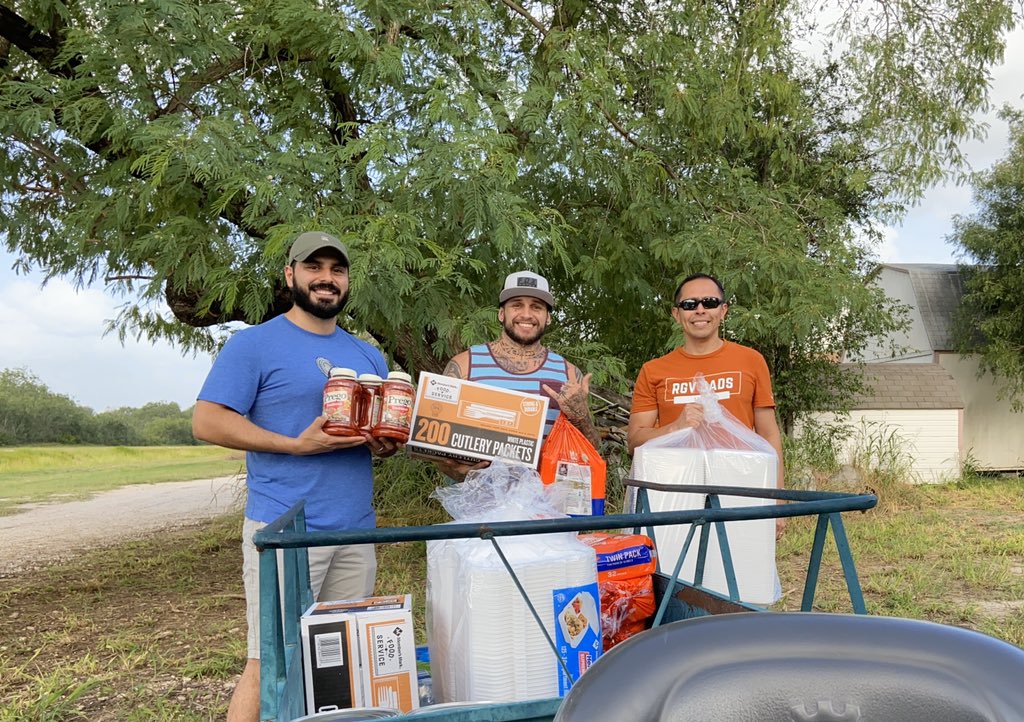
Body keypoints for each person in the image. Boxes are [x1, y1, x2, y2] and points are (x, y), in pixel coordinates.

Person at [192, 231, 398, 722]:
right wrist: (294, 444)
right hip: (287, 533)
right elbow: (206, 421)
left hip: (356, 529)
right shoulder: (254, 345)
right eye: (314, 268)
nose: (326, 279)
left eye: (337, 270)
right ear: (291, 275)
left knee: (342, 660)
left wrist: (385, 445)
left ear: (347, 282)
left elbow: (377, 434)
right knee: (271, 661)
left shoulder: (368, 356)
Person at [626, 273, 785, 532]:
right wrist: (675, 427)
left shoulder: (751, 361)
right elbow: (634, 442)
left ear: (723, 310)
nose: (700, 310)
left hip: (741, 484)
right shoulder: (653, 370)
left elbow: (768, 434)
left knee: (741, 569)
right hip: (676, 489)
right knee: (676, 572)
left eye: (709, 302)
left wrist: (778, 502)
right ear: (677, 314)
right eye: (690, 304)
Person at [435, 270, 601, 481]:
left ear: (548, 317)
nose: (526, 314)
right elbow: (436, 442)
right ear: (501, 313)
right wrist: (454, 470)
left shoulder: (568, 374)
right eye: (516, 305)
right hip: (481, 508)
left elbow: (592, 452)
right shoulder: (464, 365)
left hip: (548, 507)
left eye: (537, 307)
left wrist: (582, 418)